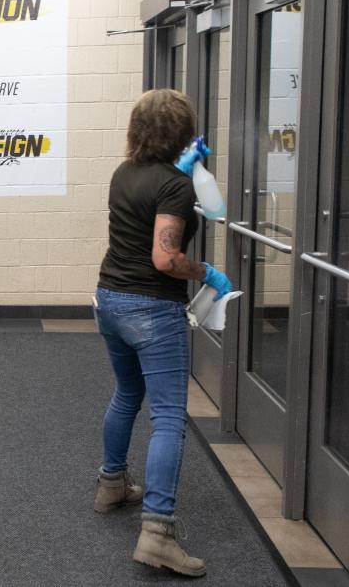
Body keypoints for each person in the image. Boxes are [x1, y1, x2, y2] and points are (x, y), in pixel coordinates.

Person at [92, 89, 231, 578]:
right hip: (151, 308)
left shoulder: (123, 172)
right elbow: (165, 259)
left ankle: (112, 485)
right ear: (180, 133)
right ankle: (157, 535)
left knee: (128, 392)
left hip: (109, 300)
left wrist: (184, 172)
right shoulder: (175, 187)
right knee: (170, 414)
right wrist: (206, 272)